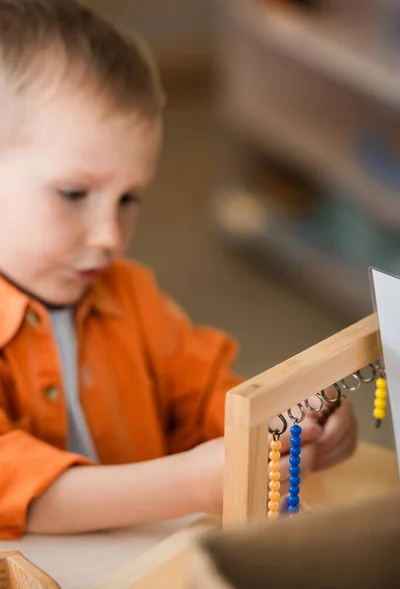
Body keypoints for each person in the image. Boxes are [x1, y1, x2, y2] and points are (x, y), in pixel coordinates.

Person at [0, 0, 357, 540]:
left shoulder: (131, 295)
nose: (109, 236)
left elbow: (209, 393)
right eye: (74, 194)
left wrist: (289, 424)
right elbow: (17, 488)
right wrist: (188, 483)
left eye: (128, 198)